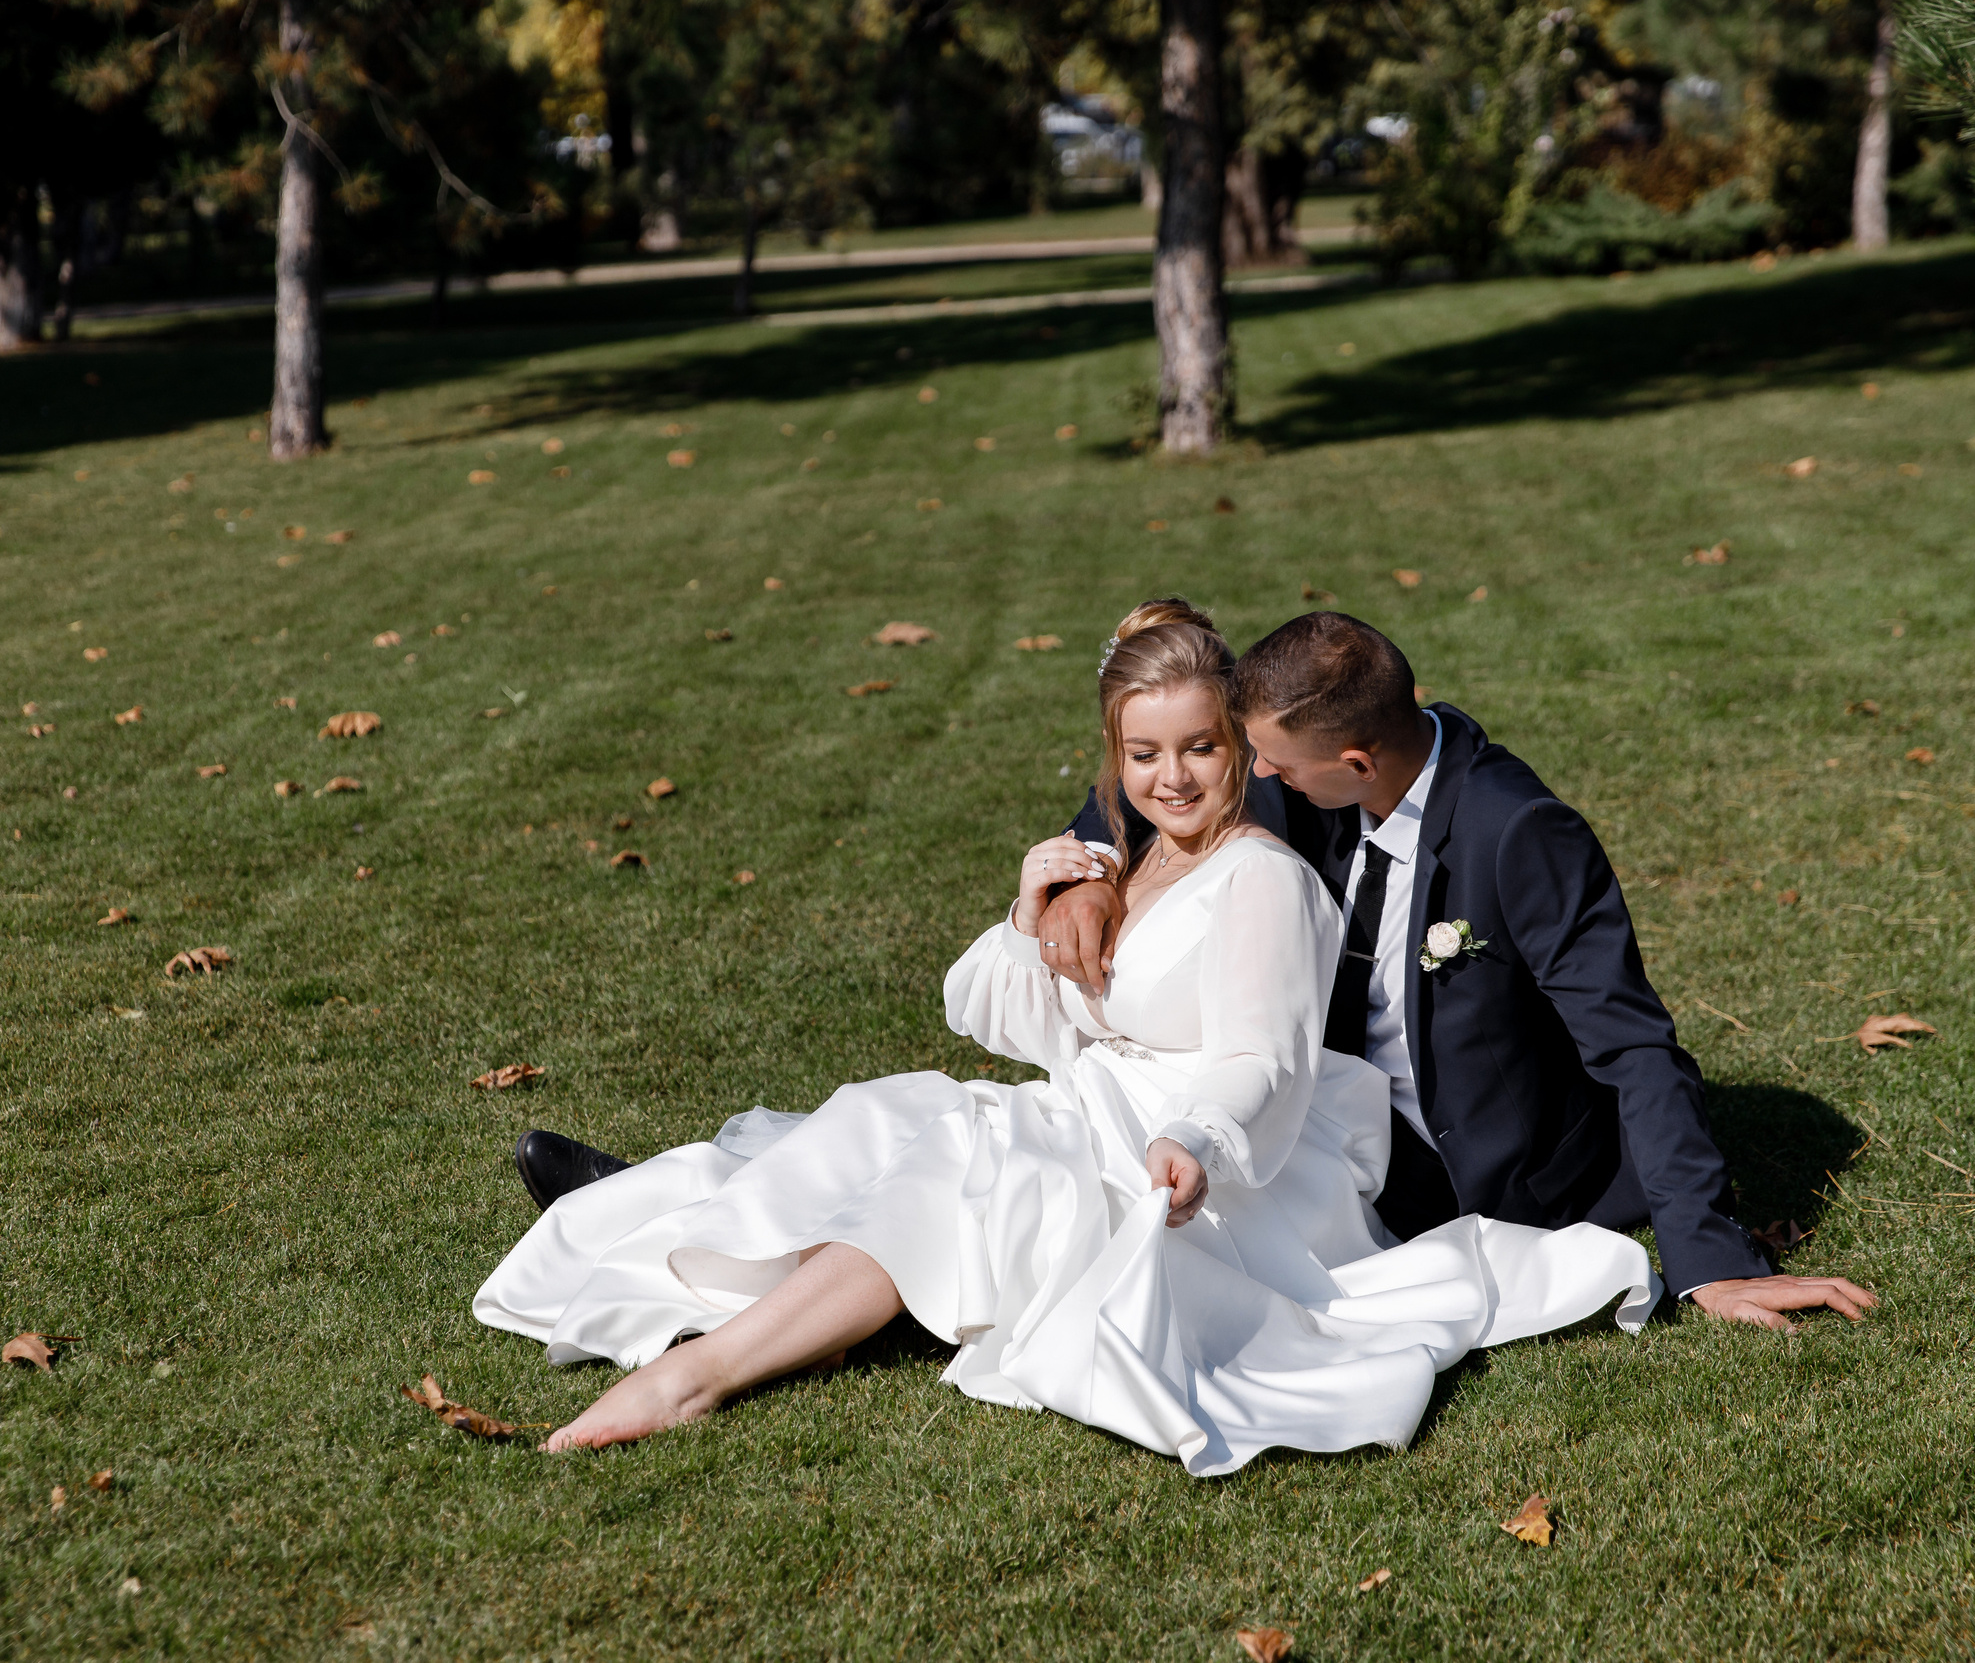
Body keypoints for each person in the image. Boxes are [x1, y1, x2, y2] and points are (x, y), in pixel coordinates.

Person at [475, 600, 1660, 1474]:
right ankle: (726, 1261)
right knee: (894, 1119)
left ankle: (698, 1372)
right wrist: (1030, 908)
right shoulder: (1130, 862)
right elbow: (991, 1010)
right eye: (1143, 755)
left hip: (1217, 1162)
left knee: (964, 1164)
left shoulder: (1262, 881)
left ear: (1244, 749)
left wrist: (1200, 1138)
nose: (1173, 778)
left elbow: (1265, 1057)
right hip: (1098, 1100)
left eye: (1201, 748)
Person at [1035, 611, 1874, 1329]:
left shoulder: (1518, 833)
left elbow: (1635, 1046)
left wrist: (1710, 1258)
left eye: (1275, 766)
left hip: (1471, 1171)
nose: (1257, 777)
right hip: (1325, 1121)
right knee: (1095, 1171)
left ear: (1355, 764)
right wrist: (1089, 873)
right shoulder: (1313, 759)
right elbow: (1165, 771)